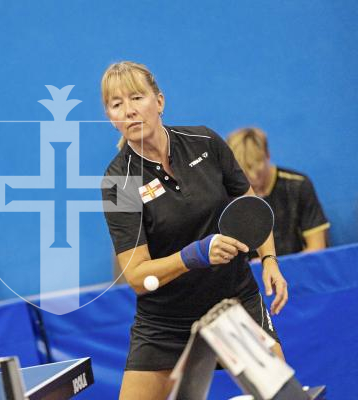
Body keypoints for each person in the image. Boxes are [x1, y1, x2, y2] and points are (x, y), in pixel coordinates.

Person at [100, 61, 289, 400]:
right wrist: (197, 253)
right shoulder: (118, 182)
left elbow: (250, 208)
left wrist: (269, 259)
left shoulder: (204, 142)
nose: (128, 111)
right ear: (110, 118)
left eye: (137, 98)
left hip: (234, 303)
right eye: (116, 104)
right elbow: (137, 277)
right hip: (165, 324)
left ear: (159, 101)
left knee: (282, 396)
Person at [227, 127, 330, 256]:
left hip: (297, 267)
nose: (253, 180)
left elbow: (317, 248)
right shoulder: (227, 196)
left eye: (258, 172)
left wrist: (270, 263)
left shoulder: (298, 185)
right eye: (244, 174)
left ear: (268, 154)